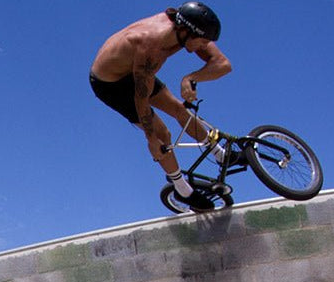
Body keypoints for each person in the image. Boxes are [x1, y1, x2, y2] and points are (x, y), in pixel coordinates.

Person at [90, 3, 232, 211]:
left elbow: (223, 64)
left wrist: (191, 77)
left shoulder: (185, 28)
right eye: (202, 41)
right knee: (162, 134)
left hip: (133, 70)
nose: (204, 46)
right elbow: (141, 98)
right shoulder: (151, 46)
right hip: (110, 84)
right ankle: (182, 189)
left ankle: (220, 154)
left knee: (179, 110)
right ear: (186, 32)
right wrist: (151, 139)